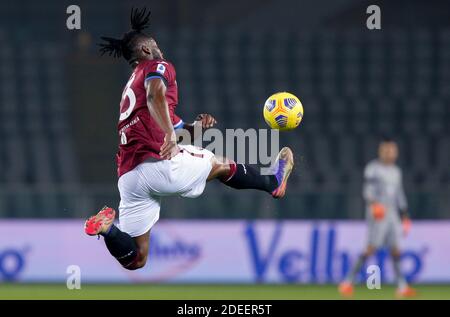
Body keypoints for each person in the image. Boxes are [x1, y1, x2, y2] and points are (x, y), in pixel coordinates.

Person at [83, 8, 294, 270]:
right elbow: (154, 97)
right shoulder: (157, 67)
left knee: (136, 259)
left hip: (130, 177)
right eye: (155, 45)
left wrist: (194, 127)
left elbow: (166, 119)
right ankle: (272, 182)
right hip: (158, 163)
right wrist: (171, 136)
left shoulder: (130, 85)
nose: (159, 49)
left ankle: (107, 230)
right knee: (218, 164)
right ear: (146, 50)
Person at [339, 137, 416, 298]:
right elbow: (367, 190)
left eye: (392, 150)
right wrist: (374, 205)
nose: (390, 153)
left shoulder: (396, 171)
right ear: (381, 151)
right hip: (378, 212)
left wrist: (405, 215)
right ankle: (347, 282)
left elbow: (399, 194)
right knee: (370, 248)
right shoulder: (373, 168)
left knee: (396, 249)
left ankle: (402, 287)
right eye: (387, 150)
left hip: (393, 214)